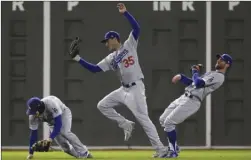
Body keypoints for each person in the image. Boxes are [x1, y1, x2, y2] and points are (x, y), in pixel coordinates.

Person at [69, 3, 168, 158]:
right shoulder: (111, 58)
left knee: (144, 119)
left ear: (114, 38)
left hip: (136, 88)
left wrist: (125, 13)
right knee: (102, 105)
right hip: (124, 90)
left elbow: (137, 29)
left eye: (107, 41)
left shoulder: (129, 44)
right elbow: (95, 69)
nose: (106, 44)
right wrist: (78, 58)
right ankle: (125, 123)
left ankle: (161, 149)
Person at [159, 54, 232, 158]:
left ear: (227, 64)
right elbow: (193, 83)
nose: (219, 60)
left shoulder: (219, 77)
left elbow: (198, 83)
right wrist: (182, 77)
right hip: (184, 97)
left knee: (169, 122)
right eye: (219, 59)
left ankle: (173, 151)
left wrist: (195, 71)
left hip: (192, 101)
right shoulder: (211, 73)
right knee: (163, 119)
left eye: (222, 60)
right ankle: (175, 146)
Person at [26, 95, 92, 159]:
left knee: (65, 132)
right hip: (51, 122)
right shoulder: (32, 116)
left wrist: (50, 138)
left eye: (34, 111)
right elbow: (33, 134)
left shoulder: (50, 103)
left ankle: (84, 152)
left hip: (63, 114)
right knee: (64, 147)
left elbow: (58, 123)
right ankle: (80, 156)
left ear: (39, 108)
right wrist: (30, 153)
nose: (33, 113)